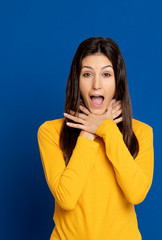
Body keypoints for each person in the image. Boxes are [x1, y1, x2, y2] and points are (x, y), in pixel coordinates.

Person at [37, 37, 154, 240]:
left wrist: (106, 129)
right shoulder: (50, 132)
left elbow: (136, 194)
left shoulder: (142, 133)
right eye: (87, 74)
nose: (96, 85)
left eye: (106, 74)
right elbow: (66, 198)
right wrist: (89, 131)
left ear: (118, 82)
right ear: (77, 80)